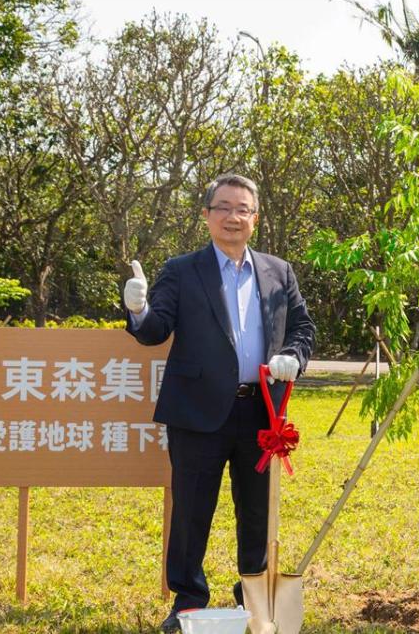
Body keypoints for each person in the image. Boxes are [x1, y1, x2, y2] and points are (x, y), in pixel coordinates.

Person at [123, 173, 315, 632]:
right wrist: (137, 310)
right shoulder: (182, 269)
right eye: (223, 207)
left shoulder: (277, 271)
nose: (233, 217)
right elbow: (154, 331)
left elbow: (303, 329)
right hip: (197, 412)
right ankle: (187, 602)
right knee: (191, 511)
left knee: (257, 512)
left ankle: (251, 598)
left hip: (261, 414)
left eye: (243, 209)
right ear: (207, 215)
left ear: (255, 218)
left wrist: (292, 355)